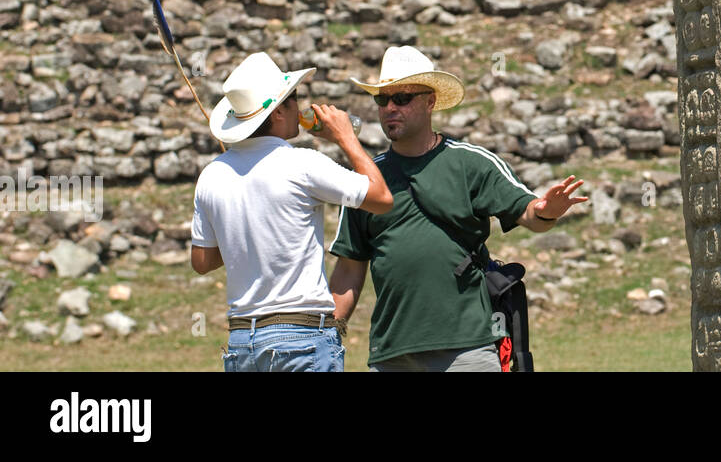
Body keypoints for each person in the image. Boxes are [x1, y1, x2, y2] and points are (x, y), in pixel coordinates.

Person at [328, 45, 587, 372]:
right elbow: (350, 269)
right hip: (392, 353)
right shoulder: (366, 180)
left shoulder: (471, 163)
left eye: (402, 98)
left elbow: (532, 215)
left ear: (430, 101)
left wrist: (549, 208)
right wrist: (328, 332)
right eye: (383, 99)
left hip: (468, 347)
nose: (390, 108)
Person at [191, 51, 393, 371]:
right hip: (299, 338)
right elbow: (381, 198)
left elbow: (202, 262)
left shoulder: (212, 175)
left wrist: (240, 231)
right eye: (293, 98)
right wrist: (346, 138)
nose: (298, 106)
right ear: (278, 113)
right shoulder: (302, 163)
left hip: (243, 341)